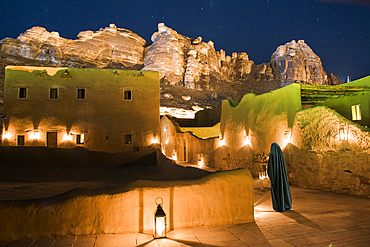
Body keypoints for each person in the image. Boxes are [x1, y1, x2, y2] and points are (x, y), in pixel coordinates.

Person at [267, 142, 292, 212]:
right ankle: (287, 205)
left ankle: (279, 206)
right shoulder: (280, 154)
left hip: (276, 178)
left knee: (277, 191)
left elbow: (270, 169)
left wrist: (271, 176)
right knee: (284, 190)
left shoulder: (272, 154)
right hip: (282, 177)